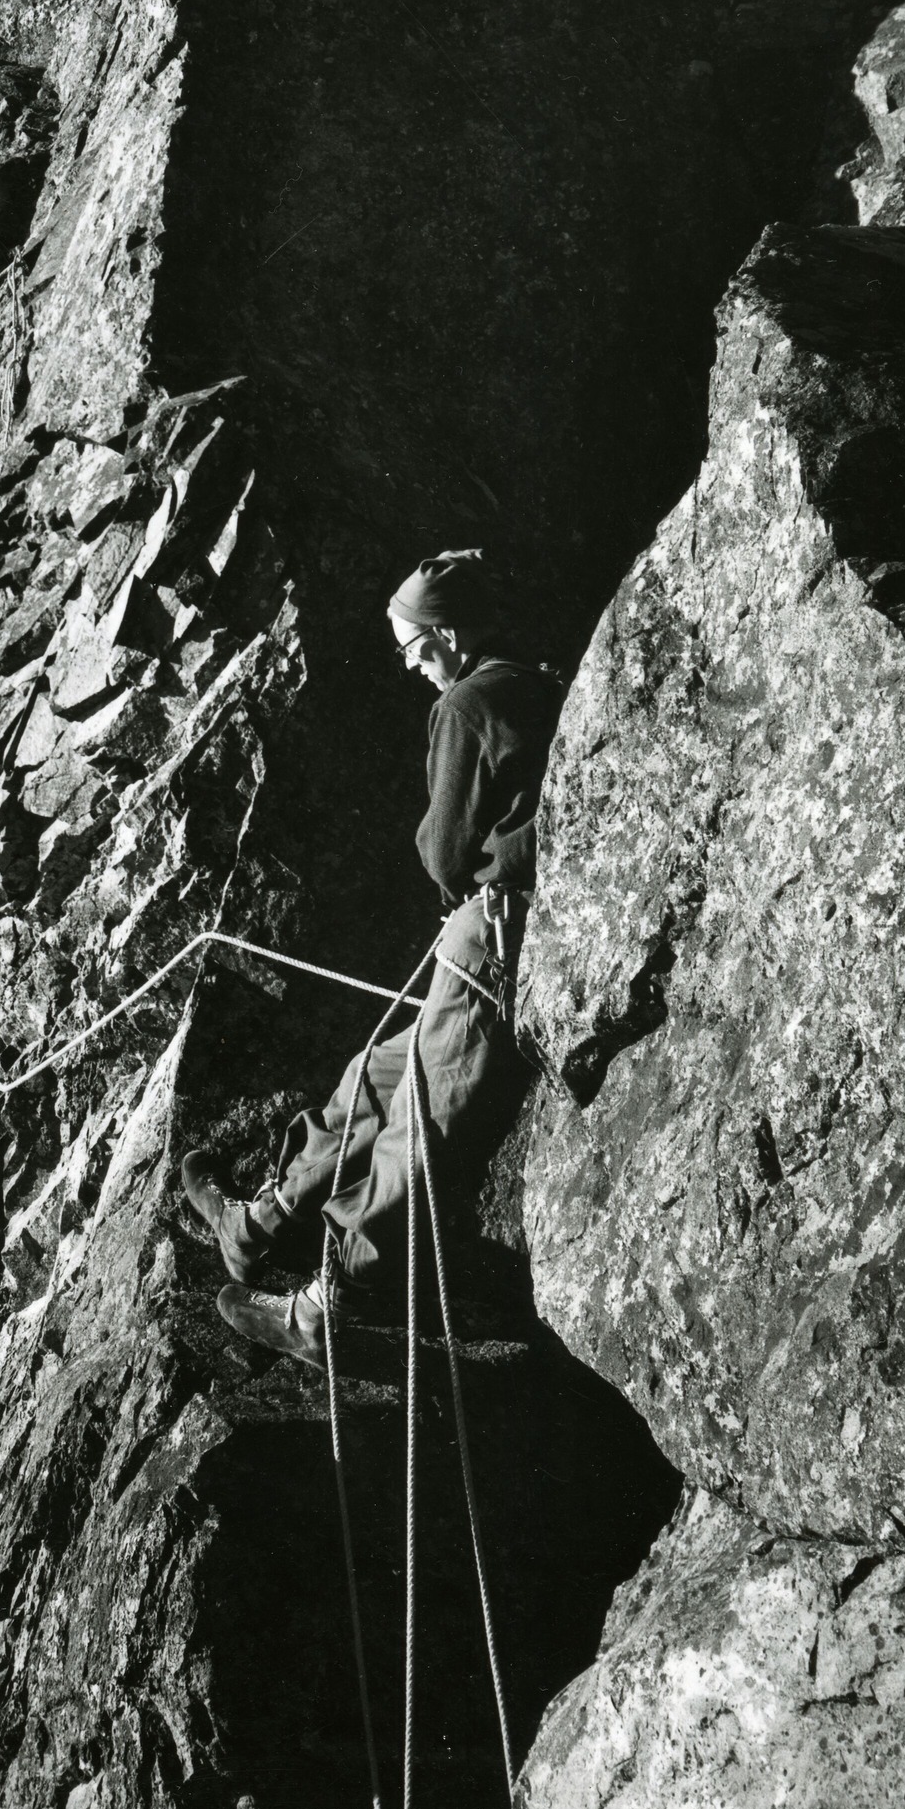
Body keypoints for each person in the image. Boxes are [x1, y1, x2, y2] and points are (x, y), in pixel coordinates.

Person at [182, 549, 562, 1365]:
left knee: (419, 1113)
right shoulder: (538, 683)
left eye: (414, 648)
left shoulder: (466, 703)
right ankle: (259, 1224)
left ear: (448, 634)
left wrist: (443, 860)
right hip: (498, 931)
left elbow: (444, 850)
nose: (412, 668)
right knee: (380, 1072)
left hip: (490, 931)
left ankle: (326, 1306)